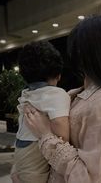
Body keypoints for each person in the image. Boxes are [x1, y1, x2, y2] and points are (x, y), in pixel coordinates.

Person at [24, 15, 101, 183]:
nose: (74, 58)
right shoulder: (77, 94)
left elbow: (87, 178)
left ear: (90, 53)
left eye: (77, 50)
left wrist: (45, 134)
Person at [11, 41, 71, 183]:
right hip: (34, 153)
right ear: (58, 75)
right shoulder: (56, 94)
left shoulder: (26, 94)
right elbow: (61, 130)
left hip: (20, 151)